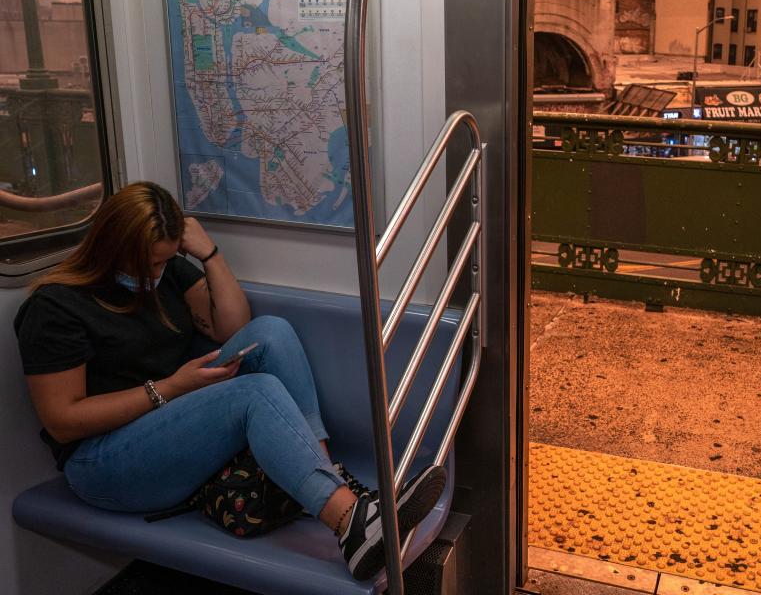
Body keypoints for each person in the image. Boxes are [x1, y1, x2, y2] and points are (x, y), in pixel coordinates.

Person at [15, 181, 445, 581]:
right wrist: (172, 388)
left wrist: (209, 254)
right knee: (253, 394)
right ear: (112, 249)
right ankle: (351, 526)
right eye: (149, 263)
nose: (156, 273)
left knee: (271, 332)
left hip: (165, 426)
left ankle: (332, 483)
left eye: (166, 260)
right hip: (102, 464)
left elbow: (231, 326)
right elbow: (63, 421)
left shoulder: (163, 275)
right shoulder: (56, 308)